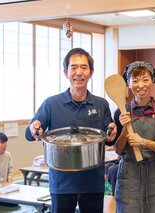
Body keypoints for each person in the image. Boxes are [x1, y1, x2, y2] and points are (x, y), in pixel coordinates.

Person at [25, 48, 117, 213]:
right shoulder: (51, 104)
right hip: (61, 182)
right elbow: (30, 133)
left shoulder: (101, 104)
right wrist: (34, 128)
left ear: (91, 72)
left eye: (84, 67)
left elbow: (109, 137)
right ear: (65, 72)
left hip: (93, 181)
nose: (79, 72)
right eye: (74, 67)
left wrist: (112, 131)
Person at [114, 61, 155, 213]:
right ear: (128, 83)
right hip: (129, 174)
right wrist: (125, 130)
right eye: (135, 80)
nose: (140, 85)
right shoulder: (122, 110)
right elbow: (118, 150)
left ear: (152, 80)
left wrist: (143, 142)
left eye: (145, 79)